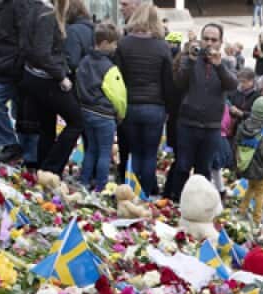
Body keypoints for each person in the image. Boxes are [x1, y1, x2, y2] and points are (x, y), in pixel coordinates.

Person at [163, 23, 237, 202]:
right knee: (182, 167)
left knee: (203, 171)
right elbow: (179, 82)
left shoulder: (226, 63)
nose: (209, 43)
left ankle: (198, 206)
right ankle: (177, 203)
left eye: (214, 40)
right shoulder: (190, 59)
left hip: (211, 126)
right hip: (188, 123)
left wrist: (219, 66)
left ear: (220, 42)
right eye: (206, 39)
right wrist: (190, 59)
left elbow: (232, 85)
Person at [18, 0, 84, 172]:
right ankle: (51, 168)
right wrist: (61, 76)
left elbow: (27, 48)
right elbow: (43, 54)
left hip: (33, 77)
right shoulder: (47, 15)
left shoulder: (32, 10)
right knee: (76, 121)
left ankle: (43, 169)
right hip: (48, 78)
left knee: (47, 126)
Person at [115, 3, 171, 196]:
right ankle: (145, 194)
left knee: (135, 152)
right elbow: (168, 81)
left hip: (130, 105)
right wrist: (168, 108)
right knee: (149, 154)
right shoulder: (162, 46)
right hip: (155, 107)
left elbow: (118, 77)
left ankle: (131, 192)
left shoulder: (124, 44)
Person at [76, 23, 125, 190]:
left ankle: (84, 182)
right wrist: (121, 112)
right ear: (104, 43)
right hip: (104, 115)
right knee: (105, 152)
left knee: (91, 149)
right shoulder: (109, 67)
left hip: (86, 110)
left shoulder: (84, 62)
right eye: (114, 43)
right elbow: (118, 95)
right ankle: (101, 186)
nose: (116, 47)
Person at [0, 0, 27, 164]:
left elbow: (22, 40)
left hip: (13, 69)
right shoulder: (2, 8)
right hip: (10, 67)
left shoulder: (16, 7)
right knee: (19, 111)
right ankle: (18, 149)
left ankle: (11, 145)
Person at [234, 96, 263, 225]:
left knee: (250, 188)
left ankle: (242, 211)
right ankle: (257, 219)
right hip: (260, 168)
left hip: (246, 165)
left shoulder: (243, 126)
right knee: (260, 193)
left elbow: (236, 142)